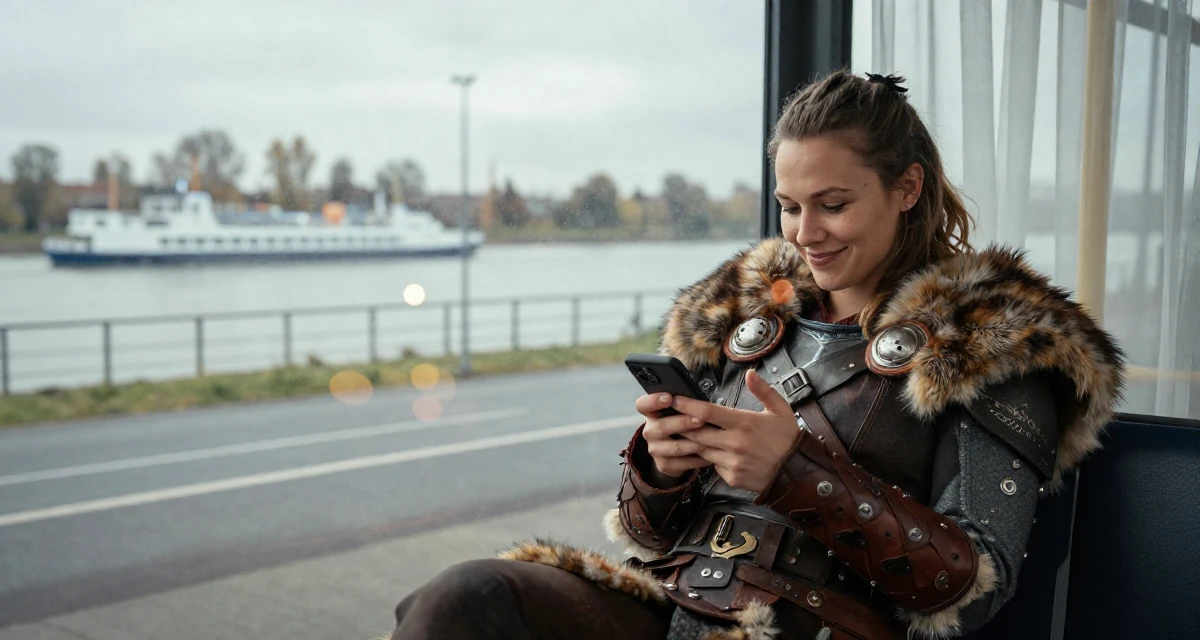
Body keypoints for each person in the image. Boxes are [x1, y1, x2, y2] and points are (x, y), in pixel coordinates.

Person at [388, 71, 1125, 640]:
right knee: (462, 600)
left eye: (833, 204)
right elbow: (647, 534)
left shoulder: (991, 338)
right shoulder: (746, 310)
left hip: (825, 628)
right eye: (790, 205)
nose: (805, 232)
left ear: (907, 188)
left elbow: (973, 587)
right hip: (677, 606)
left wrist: (792, 471)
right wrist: (660, 469)